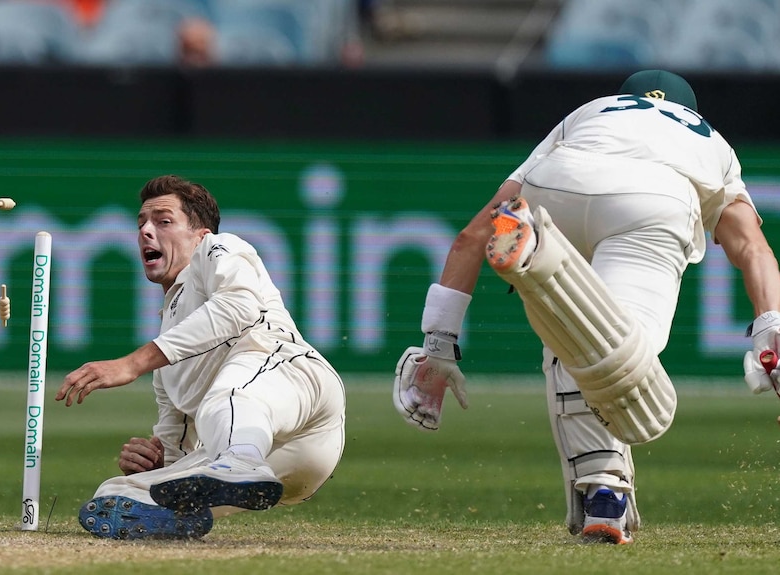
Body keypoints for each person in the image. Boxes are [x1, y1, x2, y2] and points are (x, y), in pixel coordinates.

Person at [393, 70, 780, 545]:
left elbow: (474, 235)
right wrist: (770, 329)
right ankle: (605, 492)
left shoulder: (590, 113)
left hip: (557, 185)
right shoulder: (710, 141)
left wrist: (438, 344)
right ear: (690, 112)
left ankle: (605, 493)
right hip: (652, 200)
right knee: (617, 349)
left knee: (573, 339)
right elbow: (751, 248)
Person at [56, 175, 346, 540]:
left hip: (299, 392)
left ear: (199, 234)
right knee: (115, 494)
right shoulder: (168, 353)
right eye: (141, 223)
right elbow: (182, 456)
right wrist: (157, 465)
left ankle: (240, 460)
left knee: (228, 395)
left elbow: (239, 306)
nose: (146, 231)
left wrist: (131, 364)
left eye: (163, 221)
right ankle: (204, 495)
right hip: (286, 467)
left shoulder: (217, 250)